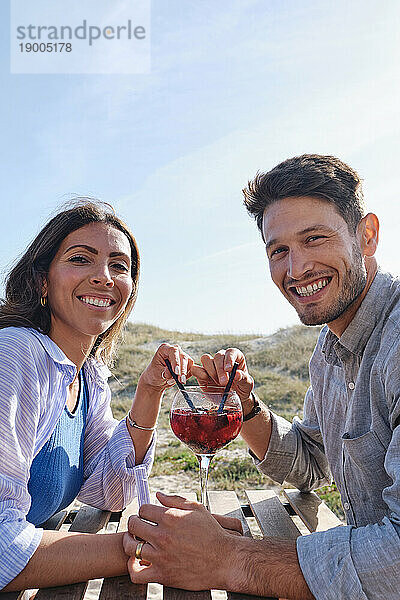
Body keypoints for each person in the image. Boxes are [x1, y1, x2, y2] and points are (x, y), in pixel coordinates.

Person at [123, 155, 400, 600]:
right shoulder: (329, 351)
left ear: (366, 235)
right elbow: (311, 465)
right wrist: (246, 407)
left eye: (315, 239)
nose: (297, 269)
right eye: (279, 250)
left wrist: (227, 558)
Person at [0, 200, 194, 592]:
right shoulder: (16, 355)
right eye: (80, 259)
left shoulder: (87, 376)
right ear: (43, 281)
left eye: (119, 266)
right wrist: (149, 546)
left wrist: (149, 390)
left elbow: (110, 490)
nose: (104, 277)